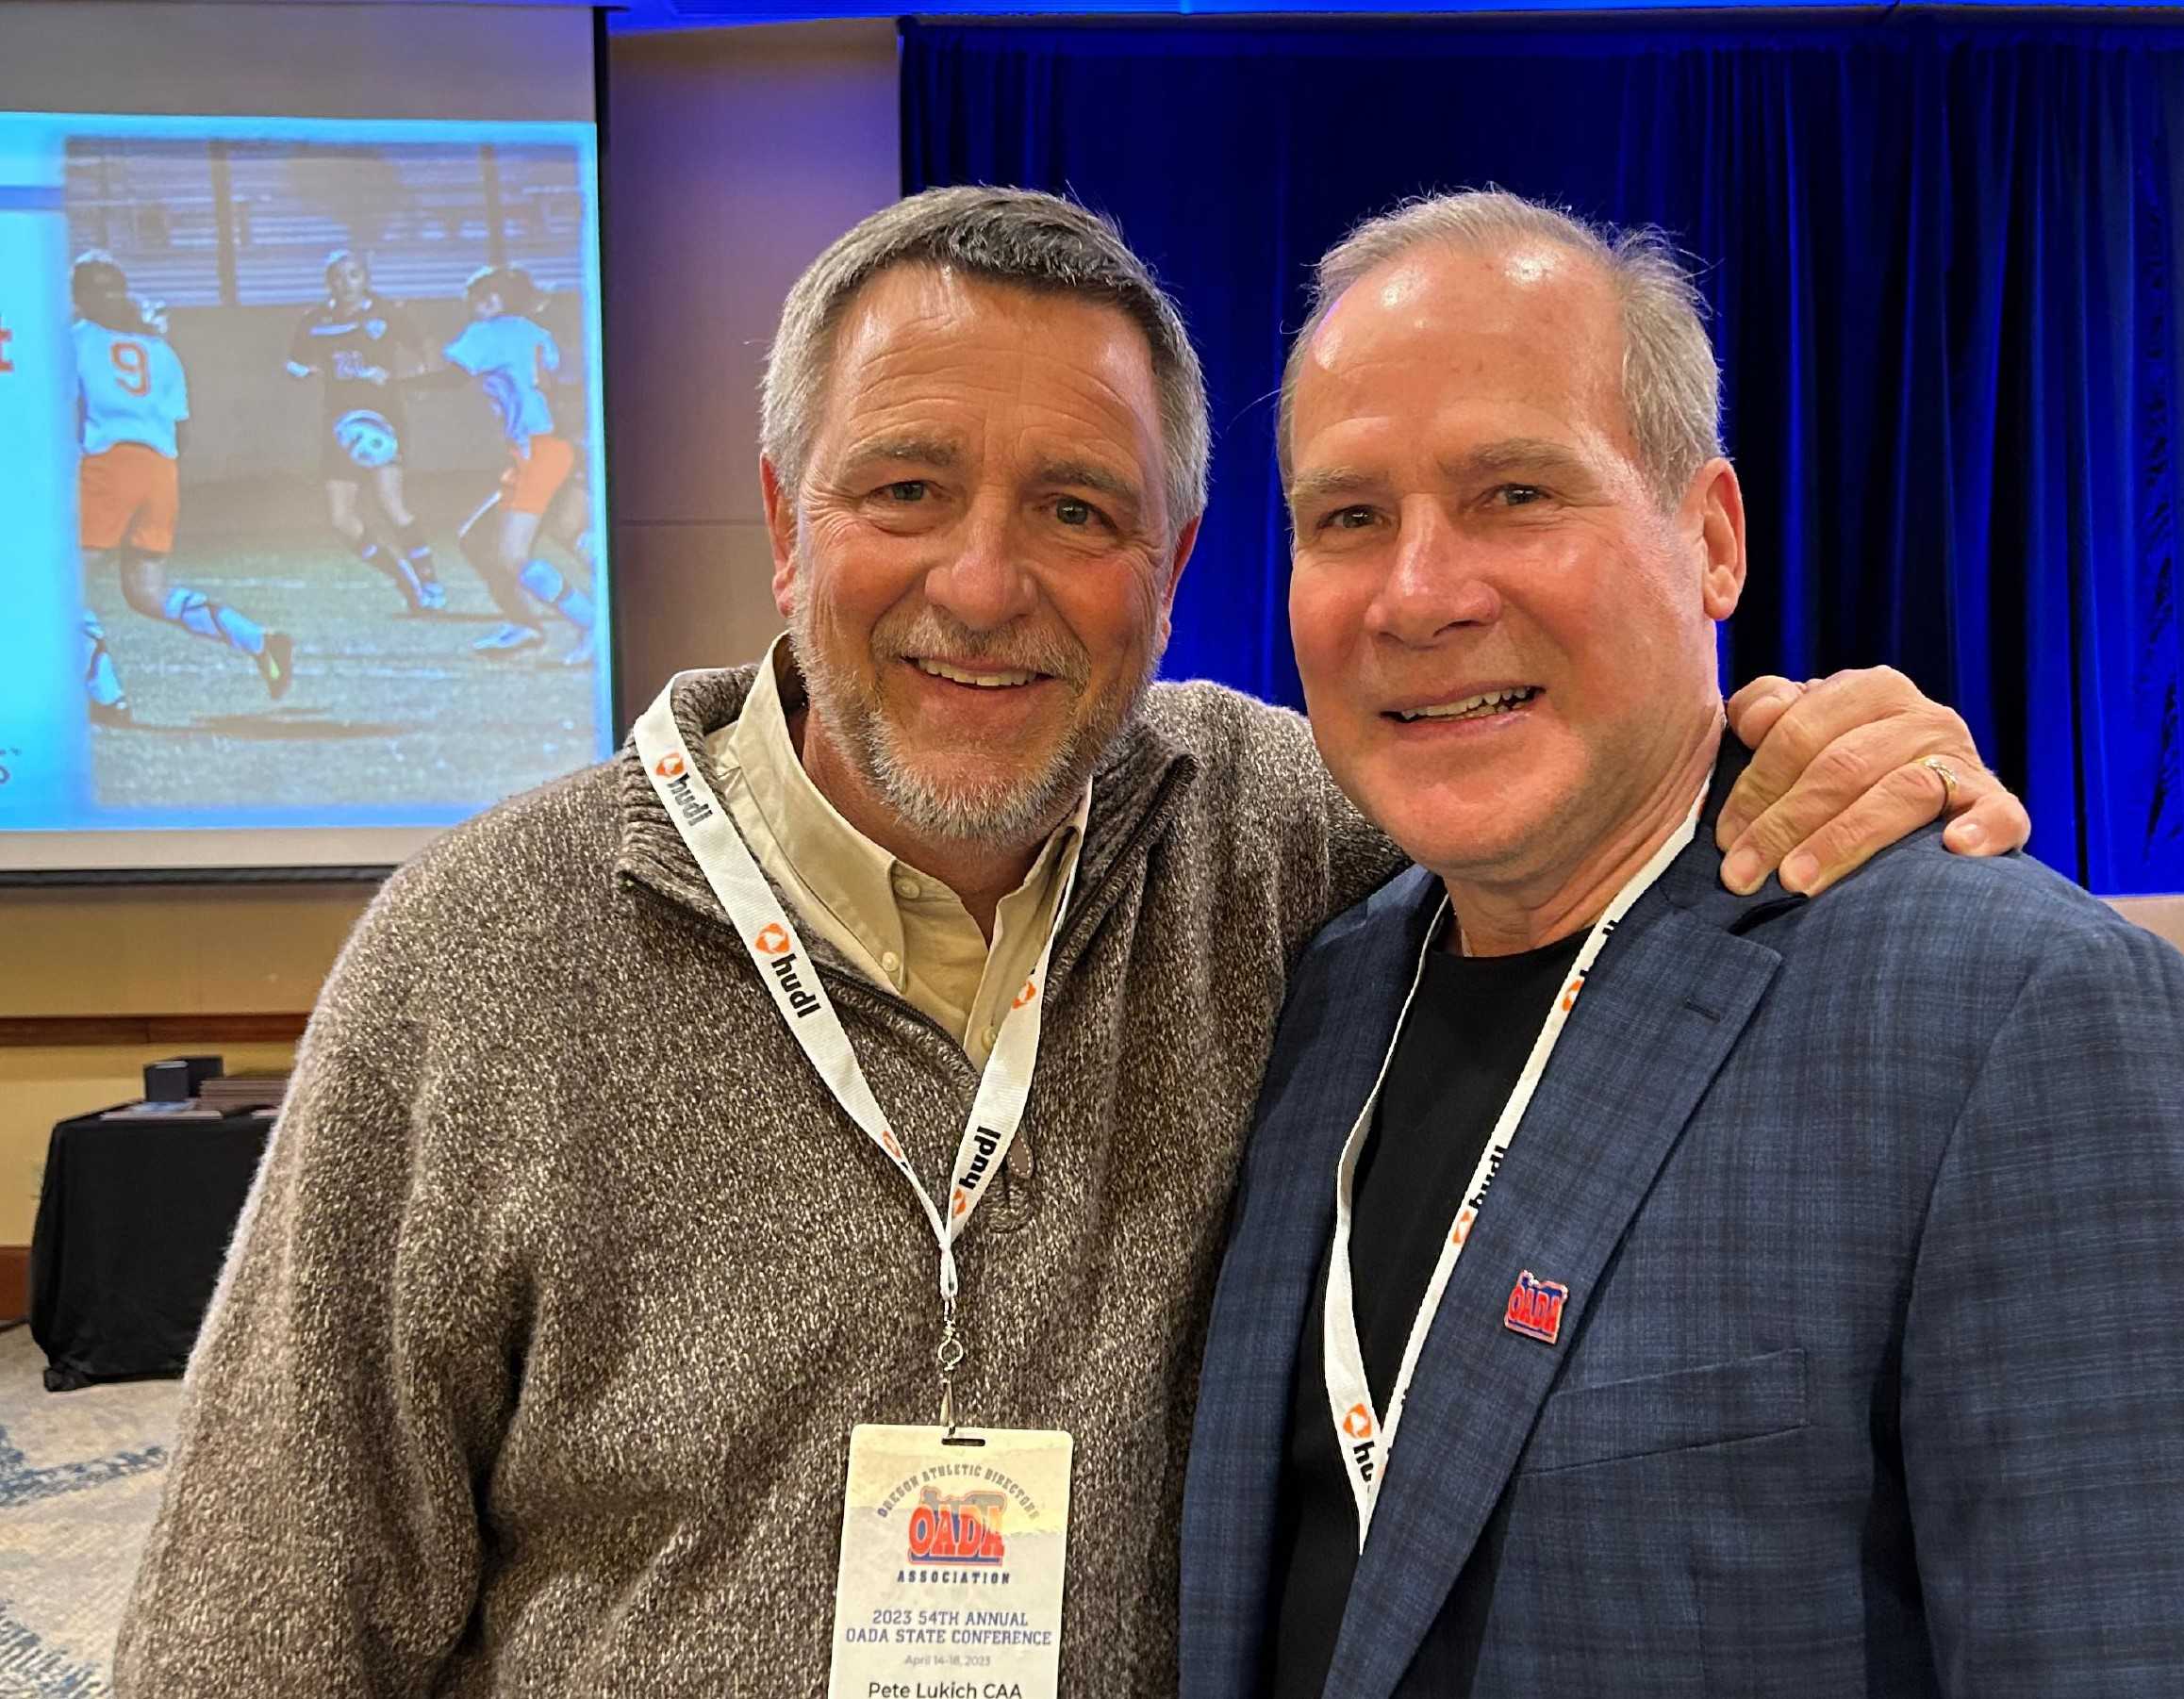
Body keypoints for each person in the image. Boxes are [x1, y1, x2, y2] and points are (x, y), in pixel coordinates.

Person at [114, 188, 2027, 1694]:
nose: (982, 581)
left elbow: (1565, 762)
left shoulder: (1279, 838)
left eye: (1077, 508)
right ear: (789, 526)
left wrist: (1806, 732)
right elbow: (253, 1627)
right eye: (907, 489)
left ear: (1175, 565)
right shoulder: (484, 956)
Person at [1180, 190, 2184, 1697]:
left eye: (1515, 492)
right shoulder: (1319, 992)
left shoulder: (2025, 1018)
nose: (1421, 592)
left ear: (1709, 540)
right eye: (1348, 517)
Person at [72, 251, 293, 715]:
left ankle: (106, 695)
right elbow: (181, 431)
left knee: (57, 583)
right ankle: (259, 640)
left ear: (81, 295)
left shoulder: (75, 340)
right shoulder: (161, 351)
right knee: (147, 591)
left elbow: (63, 409)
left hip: (110, 465)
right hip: (162, 471)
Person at [437, 265, 597, 663]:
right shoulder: (535, 333)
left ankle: (592, 622)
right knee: (555, 531)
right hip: (553, 447)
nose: (471, 306)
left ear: (493, 300)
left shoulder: (489, 332)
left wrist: (393, 384)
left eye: (477, 297)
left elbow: (452, 375)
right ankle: (524, 625)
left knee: (510, 555)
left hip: (537, 453)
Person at [286, 249, 446, 613]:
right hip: (340, 424)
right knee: (340, 519)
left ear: (366, 278)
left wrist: (420, 377)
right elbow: (294, 362)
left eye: (354, 275)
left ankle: (430, 582)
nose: (346, 283)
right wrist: (308, 372)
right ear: (329, 282)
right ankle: (401, 576)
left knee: (391, 504)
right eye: (339, 277)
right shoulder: (314, 319)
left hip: (381, 419)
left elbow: (424, 343)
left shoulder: (386, 313)